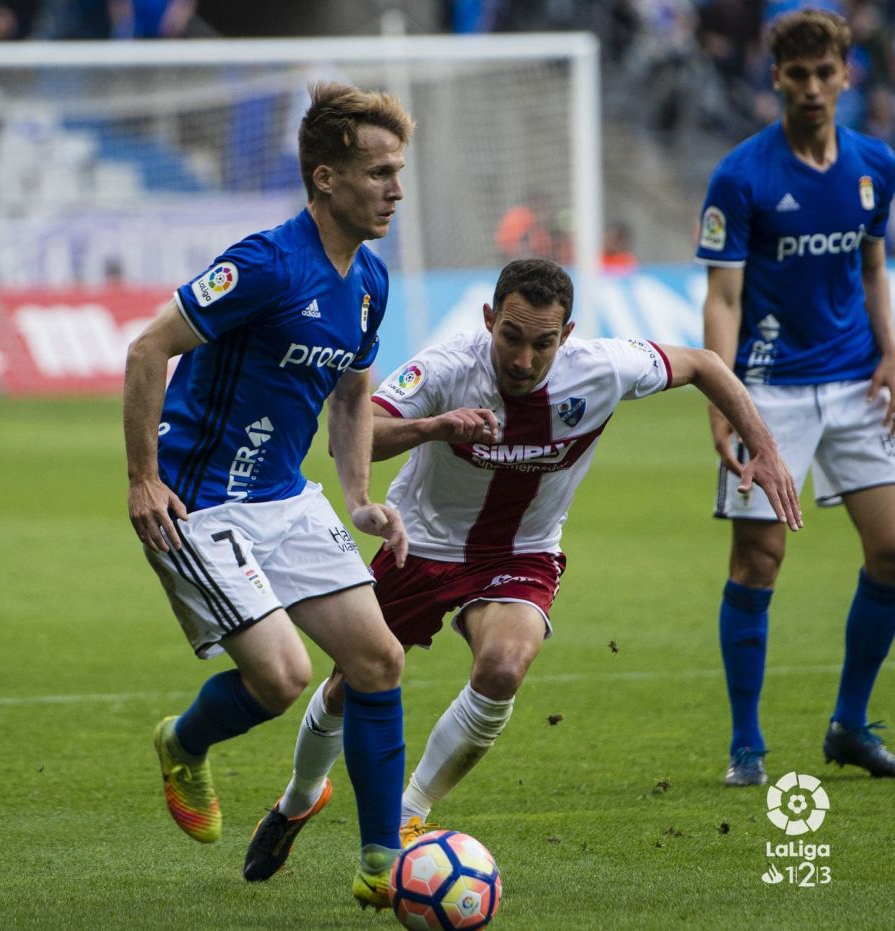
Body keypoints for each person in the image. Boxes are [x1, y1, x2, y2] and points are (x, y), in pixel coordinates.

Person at [241, 256, 803, 882]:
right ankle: (300, 797)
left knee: (505, 665)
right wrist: (434, 426)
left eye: (543, 343)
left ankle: (408, 813)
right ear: (489, 320)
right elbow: (354, 434)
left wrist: (766, 446)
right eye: (511, 337)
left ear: (567, 336)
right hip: (423, 544)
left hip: (523, 551)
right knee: (355, 682)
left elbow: (703, 363)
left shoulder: (602, 368)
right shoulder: (448, 367)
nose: (523, 359)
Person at [123, 81, 414, 910]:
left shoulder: (370, 281)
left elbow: (355, 392)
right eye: (379, 172)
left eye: (400, 171)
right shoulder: (263, 264)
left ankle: (382, 861)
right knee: (285, 676)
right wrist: (143, 478)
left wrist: (357, 496)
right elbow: (148, 347)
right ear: (325, 178)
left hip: (286, 497)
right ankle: (183, 740)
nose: (395, 188)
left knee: (378, 659)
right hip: (199, 500)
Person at [695, 8, 895, 786]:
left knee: (891, 551)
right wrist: (721, 391)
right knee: (760, 558)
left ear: (848, 74)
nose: (813, 88)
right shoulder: (741, 175)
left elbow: (873, 269)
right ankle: (747, 745)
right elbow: (723, 297)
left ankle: (848, 721)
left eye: (826, 72)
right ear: (775, 76)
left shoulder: (874, 164)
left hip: (854, 383)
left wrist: (890, 352)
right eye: (798, 74)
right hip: (768, 391)